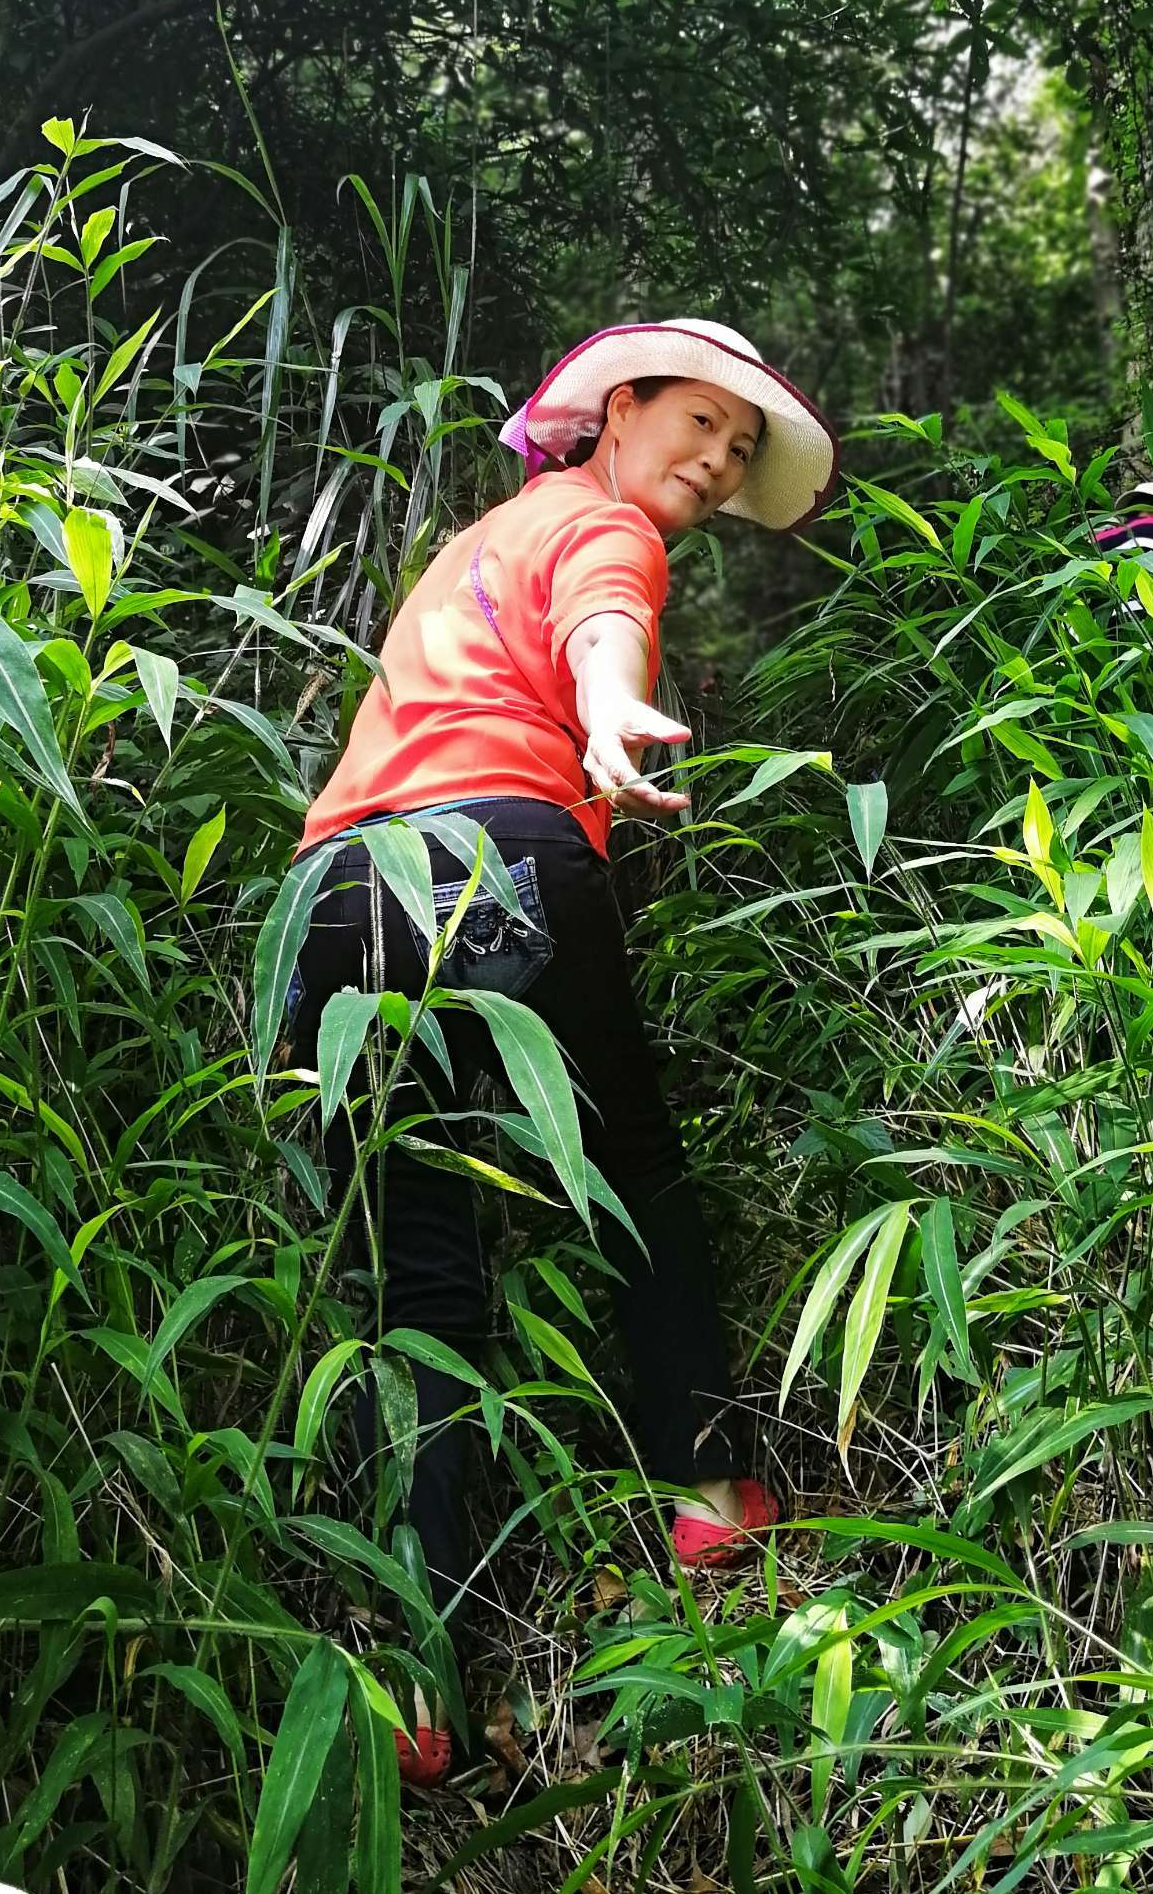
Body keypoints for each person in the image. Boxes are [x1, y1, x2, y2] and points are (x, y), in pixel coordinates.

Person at [288, 320, 838, 1784]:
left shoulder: (481, 538)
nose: (719, 465)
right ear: (619, 409)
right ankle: (708, 1487)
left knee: (416, 1273)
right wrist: (607, 711)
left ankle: (414, 1678)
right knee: (629, 1165)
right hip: (504, 851)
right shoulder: (605, 531)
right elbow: (608, 612)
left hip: (336, 899)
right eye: (700, 425)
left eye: (741, 450)